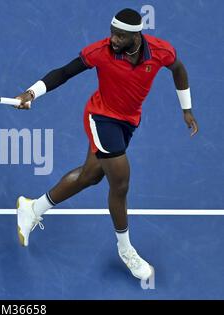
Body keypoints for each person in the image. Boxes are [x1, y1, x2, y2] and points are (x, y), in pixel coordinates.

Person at [14, 8, 198, 281]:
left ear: (136, 36)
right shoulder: (100, 51)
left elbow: (178, 69)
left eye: (120, 36)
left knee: (90, 176)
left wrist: (186, 109)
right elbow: (64, 72)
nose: (113, 39)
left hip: (128, 121)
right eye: (112, 33)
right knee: (120, 182)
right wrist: (32, 92)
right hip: (101, 118)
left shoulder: (161, 51)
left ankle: (32, 208)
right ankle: (125, 250)